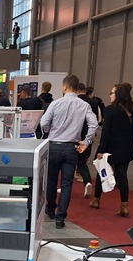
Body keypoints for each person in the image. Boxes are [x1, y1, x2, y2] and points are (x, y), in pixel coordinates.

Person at [40, 74, 98, 229]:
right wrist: (86, 141)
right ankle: (61, 217)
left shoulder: (55, 104)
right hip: (72, 148)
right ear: (77, 88)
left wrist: (50, 131)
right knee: (67, 184)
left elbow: (44, 123)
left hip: (54, 146)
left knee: (51, 180)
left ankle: (50, 208)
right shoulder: (84, 105)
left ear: (64, 87)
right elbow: (94, 125)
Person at [89, 83, 133, 217]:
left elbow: (106, 132)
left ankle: (96, 200)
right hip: (126, 148)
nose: (110, 95)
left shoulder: (110, 110)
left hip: (110, 148)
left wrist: (101, 150)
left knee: (102, 172)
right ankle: (124, 206)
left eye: (112, 93)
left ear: (118, 95)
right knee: (122, 176)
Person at [76, 83, 99, 198]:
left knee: (68, 162)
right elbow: (96, 121)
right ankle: (87, 181)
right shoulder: (93, 102)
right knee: (82, 162)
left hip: (75, 135)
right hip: (87, 136)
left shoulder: (76, 102)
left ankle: (66, 187)